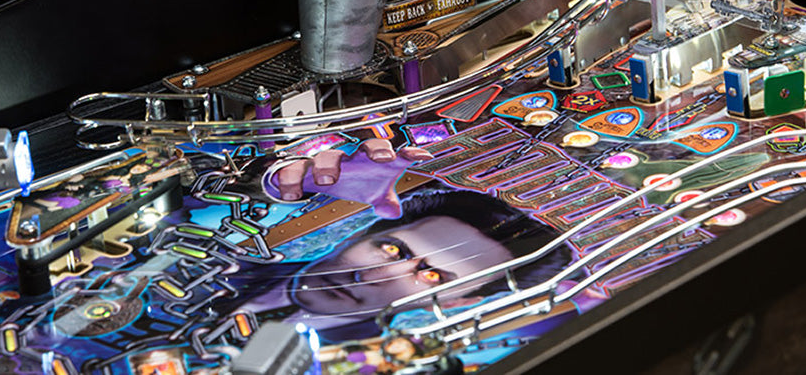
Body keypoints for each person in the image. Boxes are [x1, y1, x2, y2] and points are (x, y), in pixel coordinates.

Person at [229, 140, 573, 341]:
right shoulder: (228, 263)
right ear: (361, 234)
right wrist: (276, 181)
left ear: (454, 303)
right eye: (393, 249)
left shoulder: (373, 358)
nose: (371, 276)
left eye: (432, 276)